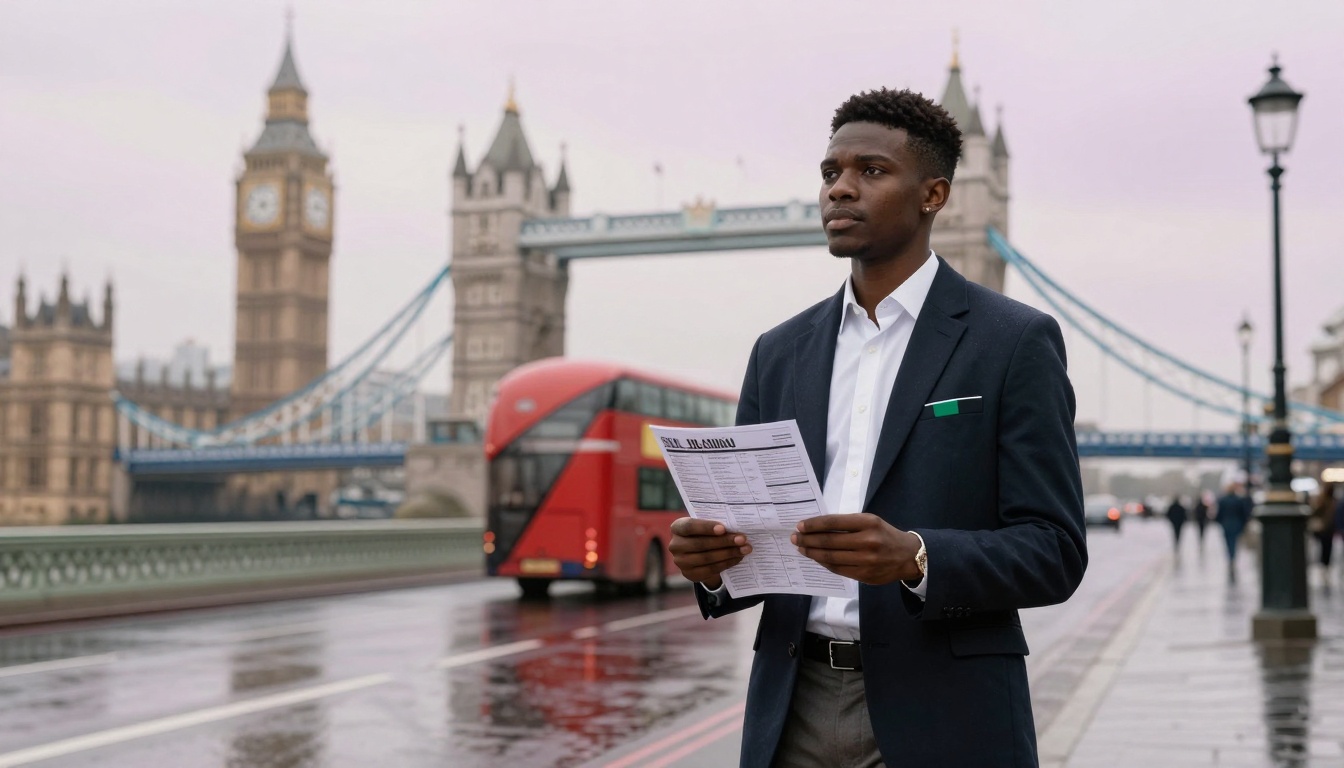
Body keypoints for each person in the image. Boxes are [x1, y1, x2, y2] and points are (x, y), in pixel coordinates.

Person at [668, 87, 1087, 768]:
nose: (841, 189)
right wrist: (713, 565)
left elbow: (1055, 550)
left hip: (945, 712)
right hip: (791, 707)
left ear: (934, 195)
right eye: (831, 173)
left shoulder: (1013, 342)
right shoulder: (777, 352)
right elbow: (751, 547)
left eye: (871, 171)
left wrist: (918, 558)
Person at [1216, 482, 1252, 584]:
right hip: (1236, 524)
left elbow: (1219, 514)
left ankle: (1230, 557)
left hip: (1226, 525)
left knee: (1228, 542)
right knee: (1234, 542)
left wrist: (1220, 522)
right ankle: (1233, 557)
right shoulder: (1238, 500)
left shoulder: (1223, 500)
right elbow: (1244, 513)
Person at [1308, 481, 1336, 582]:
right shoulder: (1329, 501)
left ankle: (1324, 569)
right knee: (1326, 549)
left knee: (1325, 549)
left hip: (1326, 529)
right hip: (1327, 530)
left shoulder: (1325, 501)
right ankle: (1325, 568)